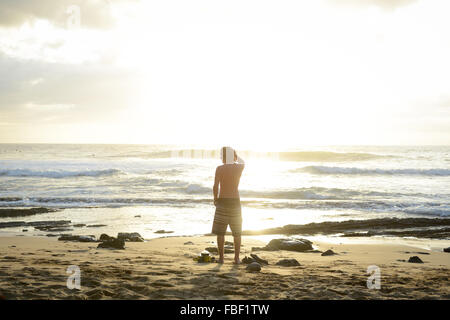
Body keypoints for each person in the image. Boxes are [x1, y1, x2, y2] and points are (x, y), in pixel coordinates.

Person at [212, 146, 245, 264]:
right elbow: (242, 161)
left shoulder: (219, 169)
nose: (220, 157)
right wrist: (234, 155)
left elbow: (216, 186)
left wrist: (215, 199)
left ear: (224, 156)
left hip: (222, 201)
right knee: (237, 232)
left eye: (222, 155)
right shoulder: (239, 167)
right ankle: (236, 259)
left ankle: (221, 258)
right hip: (235, 202)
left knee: (220, 232)